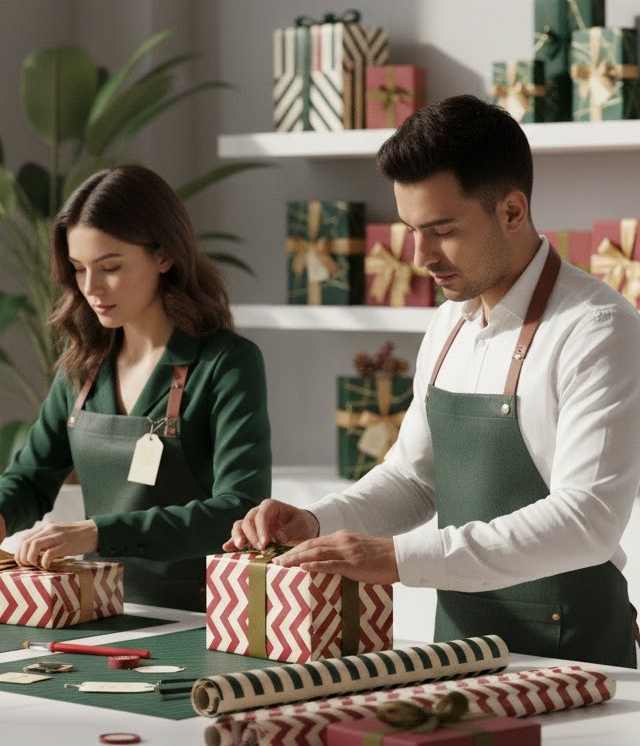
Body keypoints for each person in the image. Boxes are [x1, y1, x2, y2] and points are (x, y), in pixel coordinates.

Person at [227, 94, 640, 668]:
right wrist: (318, 522)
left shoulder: (598, 328)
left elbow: (586, 521)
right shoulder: (449, 321)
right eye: (411, 229)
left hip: (572, 657)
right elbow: (414, 479)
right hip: (457, 650)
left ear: (512, 211)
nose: (420, 255)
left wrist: (396, 558)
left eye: (442, 229)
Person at [0, 164, 272, 612]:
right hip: (93, 607)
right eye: (78, 269)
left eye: (110, 267)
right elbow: (32, 475)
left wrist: (97, 533)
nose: (91, 288)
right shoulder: (82, 364)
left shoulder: (227, 363)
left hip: (207, 616)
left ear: (164, 256)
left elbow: (238, 509)